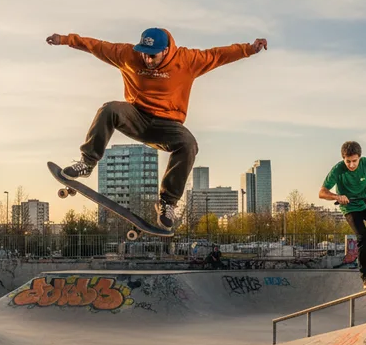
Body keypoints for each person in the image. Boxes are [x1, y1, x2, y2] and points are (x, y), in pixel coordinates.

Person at [45, 28, 268, 229]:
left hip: (167, 126)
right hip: (136, 117)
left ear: (166, 50)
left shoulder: (187, 60)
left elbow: (218, 55)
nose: (147, 59)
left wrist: (249, 49)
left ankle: (167, 203)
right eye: (144, 54)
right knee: (109, 109)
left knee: (189, 144)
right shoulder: (126, 55)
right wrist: (64, 39)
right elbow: (95, 46)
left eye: (152, 55)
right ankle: (87, 163)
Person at [318, 140, 366, 290]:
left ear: (360, 157)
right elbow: (322, 192)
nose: (352, 165)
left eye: (355, 161)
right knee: (363, 237)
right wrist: (337, 196)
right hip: (350, 207)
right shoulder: (337, 170)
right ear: (343, 158)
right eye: (348, 161)